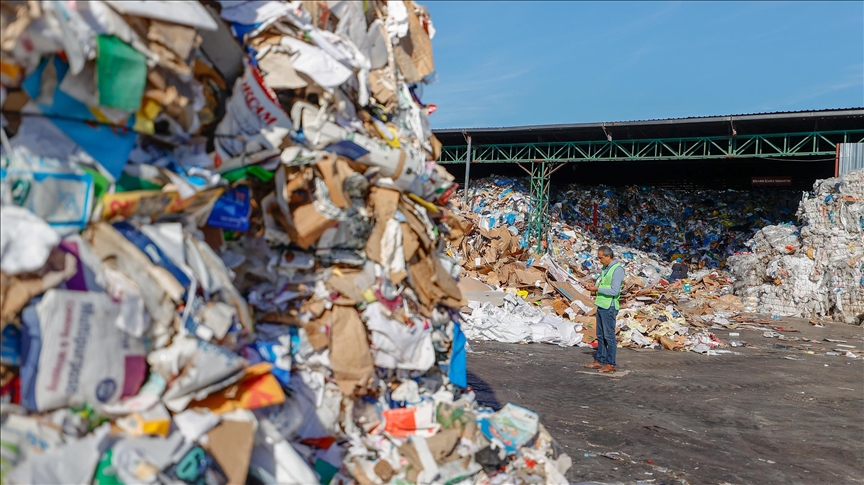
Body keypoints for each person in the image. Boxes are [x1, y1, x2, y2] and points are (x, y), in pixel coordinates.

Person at [583, 246, 625, 373]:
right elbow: (603, 285)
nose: (599, 260)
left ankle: (610, 363)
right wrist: (593, 288)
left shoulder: (617, 270)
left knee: (609, 336)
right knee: (600, 335)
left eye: (601, 258)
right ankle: (600, 360)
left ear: (608, 256)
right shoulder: (606, 269)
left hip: (609, 306)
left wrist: (597, 289)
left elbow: (614, 290)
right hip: (601, 304)